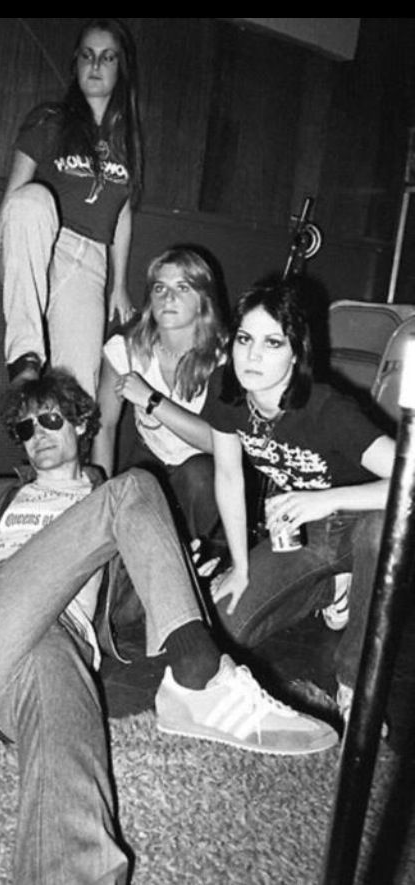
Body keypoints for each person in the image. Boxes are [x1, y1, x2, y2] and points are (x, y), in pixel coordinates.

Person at [0, 367, 337, 885]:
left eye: (50, 420)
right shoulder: (1, 495)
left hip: (56, 649)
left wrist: (178, 567)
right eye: (25, 429)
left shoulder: (109, 504)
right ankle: (198, 675)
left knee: (72, 782)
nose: (38, 436)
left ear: (80, 423)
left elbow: (127, 609)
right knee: (136, 488)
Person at [202, 282, 396, 724]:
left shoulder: (327, 409)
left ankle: (353, 683)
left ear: (296, 353)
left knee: (377, 531)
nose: (251, 356)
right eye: (245, 339)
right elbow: (229, 475)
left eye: (272, 343)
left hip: (359, 521)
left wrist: (325, 500)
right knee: (225, 631)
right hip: (300, 533)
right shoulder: (226, 389)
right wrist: (241, 566)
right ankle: (333, 587)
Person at [0, 17, 143, 396]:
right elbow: (14, 197)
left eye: (107, 58)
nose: (95, 65)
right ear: (75, 63)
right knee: (33, 199)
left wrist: (119, 286)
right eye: (87, 56)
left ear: (120, 68)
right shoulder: (50, 120)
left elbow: (122, 213)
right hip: (39, 246)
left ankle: (61, 449)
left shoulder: (129, 140)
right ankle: (24, 359)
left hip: (90, 262)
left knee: (78, 391)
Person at [92, 246, 226, 545]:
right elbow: (105, 426)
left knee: (199, 475)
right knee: (130, 498)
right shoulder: (125, 348)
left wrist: (151, 400)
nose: (168, 298)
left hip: (203, 470)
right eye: (159, 288)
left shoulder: (223, 358)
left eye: (182, 287)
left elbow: (220, 442)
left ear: (203, 299)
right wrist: (102, 495)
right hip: (149, 458)